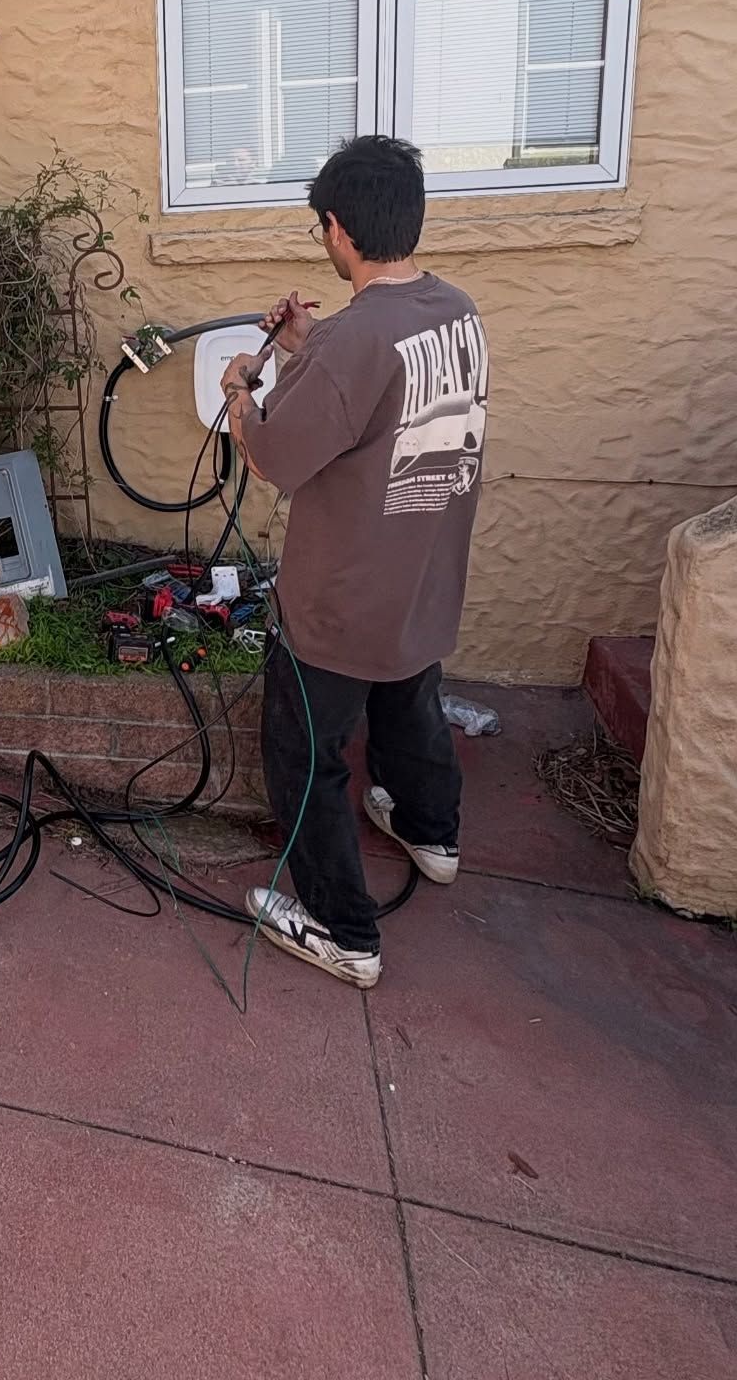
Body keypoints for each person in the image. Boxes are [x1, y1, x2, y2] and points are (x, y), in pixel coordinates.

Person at [219, 135, 489, 989]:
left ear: (336, 228)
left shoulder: (352, 341)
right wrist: (309, 343)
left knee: (305, 757)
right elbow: (384, 403)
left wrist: (240, 391)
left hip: (340, 601)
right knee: (411, 696)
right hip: (422, 578)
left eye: (319, 230)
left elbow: (273, 458)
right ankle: (431, 833)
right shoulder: (456, 311)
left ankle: (344, 931)